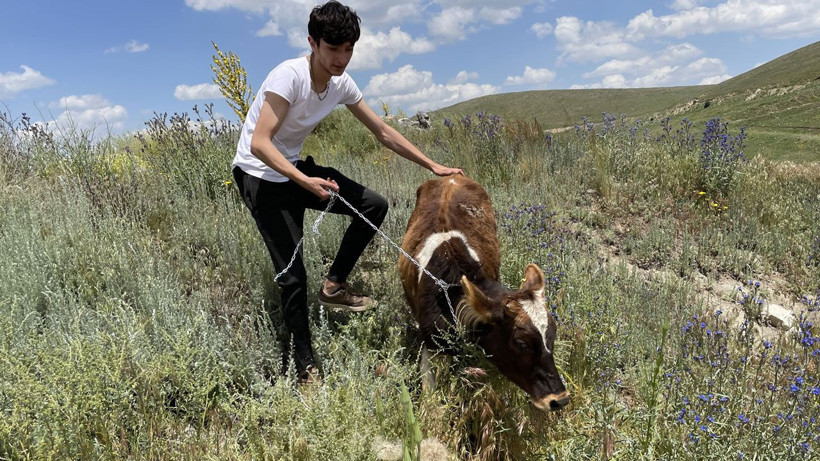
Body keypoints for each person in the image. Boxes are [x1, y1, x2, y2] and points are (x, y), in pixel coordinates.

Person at [231, 0, 463, 384]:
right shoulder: (288, 77)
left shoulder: (341, 84)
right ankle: (305, 367)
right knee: (292, 275)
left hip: (292, 168)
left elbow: (384, 132)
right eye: (333, 48)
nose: (341, 58)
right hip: (259, 176)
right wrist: (304, 182)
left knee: (372, 205)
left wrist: (432, 165)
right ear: (313, 42)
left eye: (349, 49)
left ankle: (334, 285)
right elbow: (259, 143)